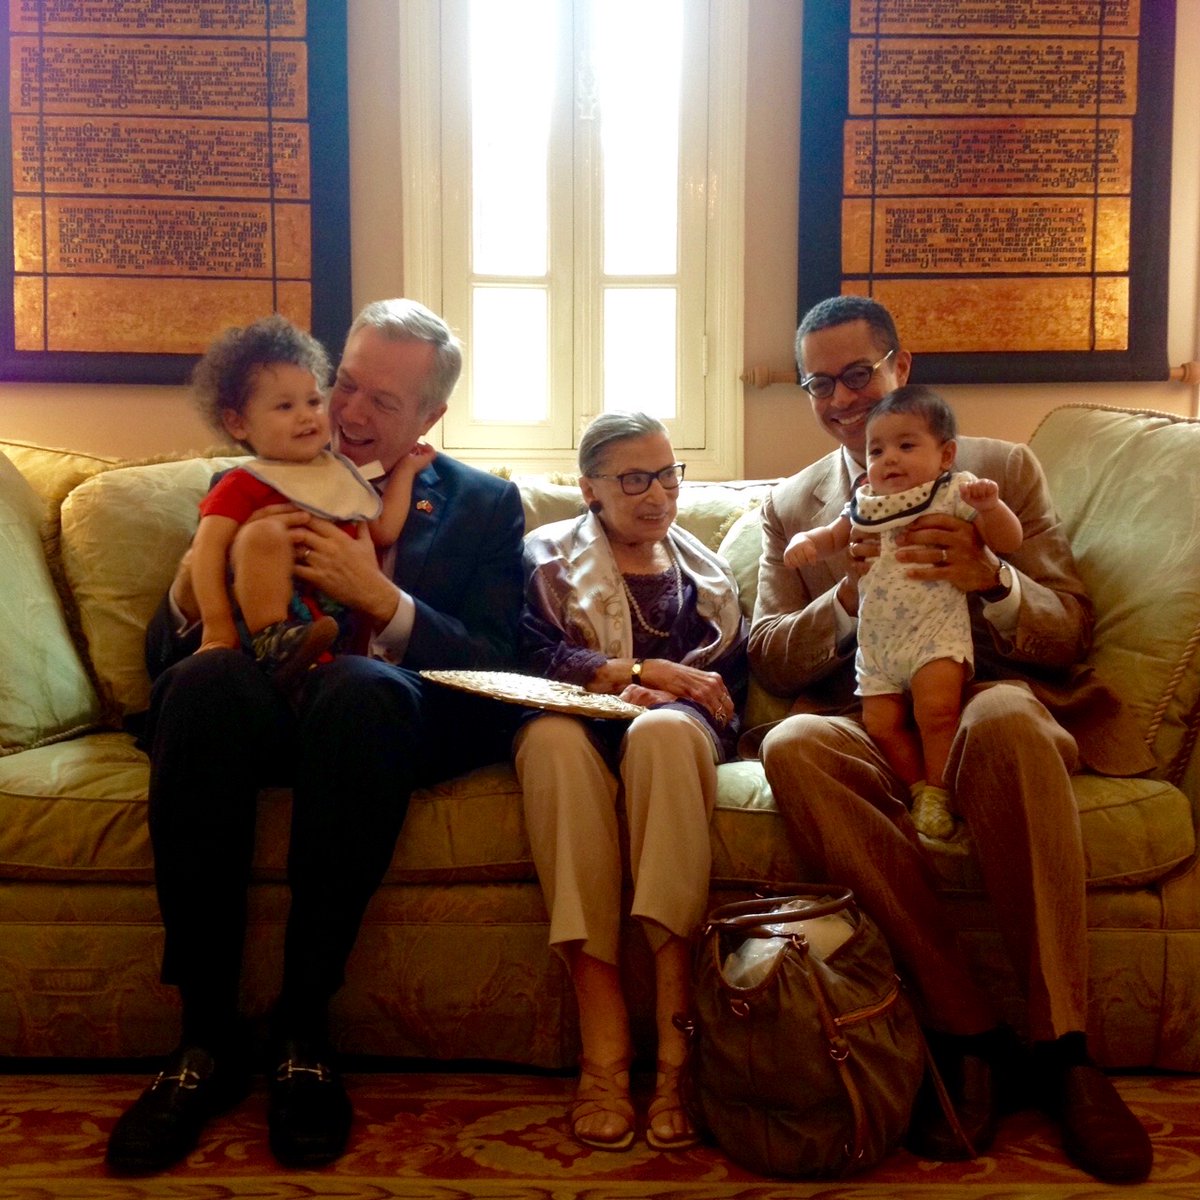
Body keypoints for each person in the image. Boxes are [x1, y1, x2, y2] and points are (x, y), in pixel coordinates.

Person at [106, 299, 527, 1175]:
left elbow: (496, 665)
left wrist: (381, 599)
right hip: (253, 709)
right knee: (203, 683)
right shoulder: (259, 472)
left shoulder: (486, 507)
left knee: (361, 688)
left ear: (430, 418)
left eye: (385, 401)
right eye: (347, 383)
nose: (348, 412)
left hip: (372, 722)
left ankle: (303, 1030)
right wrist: (193, 587)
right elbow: (161, 657)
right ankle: (204, 1038)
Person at [749, 294, 1155, 1183]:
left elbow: (1069, 625)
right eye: (819, 384)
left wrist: (993, 577)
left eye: (858, 374)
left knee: (1004, 717)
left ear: (901, 366)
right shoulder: (794, 505)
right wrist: (845, 597)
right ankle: (969, 1032)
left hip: (984, 701)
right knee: (794, 744)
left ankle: (1063, 1051)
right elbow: (771, 653)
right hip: (874, 715)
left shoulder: (997, 470)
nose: (841, 400)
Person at [516, 411, 746, 1152]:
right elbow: (523, 655)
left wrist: (669, 695)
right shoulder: (544, 560)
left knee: (664, 733)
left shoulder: (707, 574)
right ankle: (603, 1042)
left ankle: (678, 1046)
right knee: (550, 741)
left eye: (668, 475)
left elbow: (724, 690)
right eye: (635, 479)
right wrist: (629, 673)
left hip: (671, 734)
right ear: (589, 488)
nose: (659, 495)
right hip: (573, 720)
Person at [784, 384, 1023, 839]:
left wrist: (990, 510)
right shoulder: (865, 502)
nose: (889, 459)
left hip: (934, 635)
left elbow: (1010, 541)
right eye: (877, 451)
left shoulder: (955, 492)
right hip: (878, 645)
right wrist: (806, 542)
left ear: (946, 455)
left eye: (906, 446)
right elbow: (833, 534)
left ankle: (940, 788)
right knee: (880, 723)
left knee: (937, 712)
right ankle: (919, 789)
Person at [187, 315, 434, 687]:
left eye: (314, 401)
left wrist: (406, 472)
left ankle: (311, 659)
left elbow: (383, 529)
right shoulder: (242, 483)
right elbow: (206, 551)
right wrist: (217, 626)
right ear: (238, 424)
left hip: (339, 639)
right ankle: (273, 639)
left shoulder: (340, 473)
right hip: (261, 638)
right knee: (262, 534)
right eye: (285, 407)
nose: (306, 416)